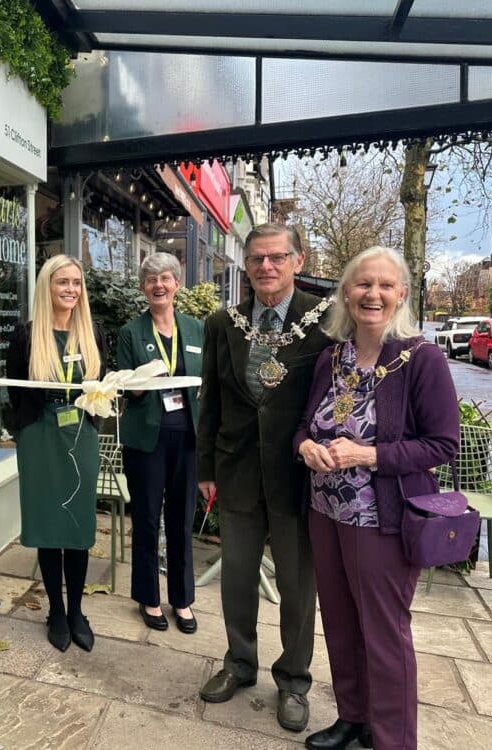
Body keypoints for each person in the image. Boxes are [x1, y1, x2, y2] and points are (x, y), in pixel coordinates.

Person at [295, 247, 458, 750]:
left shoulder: (420, 359)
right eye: (363, 284)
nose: (374, 294)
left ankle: (392, 739)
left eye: (386, 285)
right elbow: (306, 424)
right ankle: (354, 718)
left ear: (402, 294)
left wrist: (368, 454)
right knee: (340, 623)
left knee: (385, 636)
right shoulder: (332, 357)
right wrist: (304, 446)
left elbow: (443, 444)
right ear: (346, 292)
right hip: (326, 513)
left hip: (382, 520)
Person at [196, 223, 332, 732]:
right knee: (236, 579)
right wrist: (205, 467)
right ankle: (239, 663)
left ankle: (294, 680)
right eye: (256, 259)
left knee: (298, 588)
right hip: (235, 472)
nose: (266, 267)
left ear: (298, 260)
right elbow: (211, 399)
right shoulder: (221, 323)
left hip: (298, 476)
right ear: (245, 265)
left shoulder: (324, 321)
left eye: (277, 257)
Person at [6, 255, 106, 653]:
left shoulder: (92, 331)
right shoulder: (27, 335)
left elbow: (103, 386)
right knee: (49, 525)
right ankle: (56, 611)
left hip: (80, 434)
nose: (70, 290)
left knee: (78, 526)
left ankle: (78, 610)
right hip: (40, 435)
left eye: (77, 283)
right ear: (47, 287)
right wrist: (28, 429)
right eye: (62, 282)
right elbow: (13, 393)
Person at [116, 252, 203, 634]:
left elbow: (209, 382)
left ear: (177, 284)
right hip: (146, 439)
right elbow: (123, 386)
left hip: (188, 437)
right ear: (142, 288)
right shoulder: (130, 332)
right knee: (148, 519)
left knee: (182, 519)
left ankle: (182, 600)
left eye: (166, 278)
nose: (159, 285)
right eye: (151, 279)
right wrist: (139, 380)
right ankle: (148, 598)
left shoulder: (197, 329)